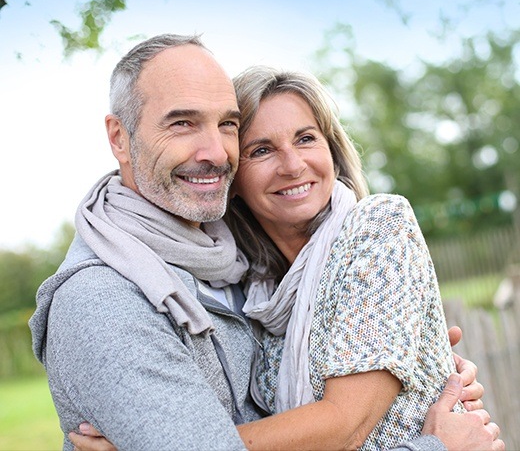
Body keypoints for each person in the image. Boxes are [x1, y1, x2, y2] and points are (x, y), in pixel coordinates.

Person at [28, 34, 502, 451]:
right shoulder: (104, 299)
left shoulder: (234, 276)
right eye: (182, 123)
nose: (214, 151)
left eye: (226, 125)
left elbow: (346, 422)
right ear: (119, 137)